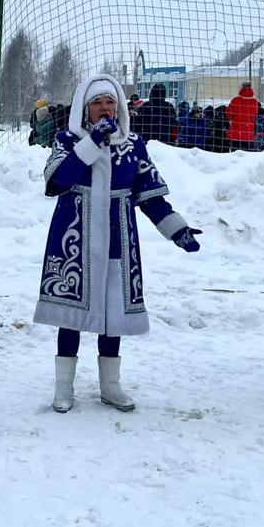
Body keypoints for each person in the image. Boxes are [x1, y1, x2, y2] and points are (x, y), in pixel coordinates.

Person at [34, 75, 201, 413]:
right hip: (74, 242)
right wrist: (91, 142)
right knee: (72, 313)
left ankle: (110, 386)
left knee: (112, 313)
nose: (105, 108)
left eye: (110, 101)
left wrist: (176, 229)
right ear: (85, 109)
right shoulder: (67, 140)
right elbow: (56, 182)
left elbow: (150, 197)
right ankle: (63, 387)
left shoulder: (133, 144)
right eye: (97, 103)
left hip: (118, 242)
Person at [226, 82, 260, 151]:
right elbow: (255, 116)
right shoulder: (255, 102)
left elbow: (228, 115)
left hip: (236, 135)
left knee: (235, 158)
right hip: (249, 135)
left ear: (241, 88)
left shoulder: (235, 100)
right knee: (247, 158)